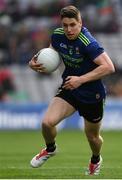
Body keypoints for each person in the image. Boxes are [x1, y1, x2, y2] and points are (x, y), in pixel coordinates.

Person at [29, 5, 115, 175]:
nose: (68, 29)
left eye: (72, 25)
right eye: (65, 25)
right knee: (47, 123)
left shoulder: (88, 42)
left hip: (92, 94)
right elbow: (51, 54)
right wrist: (36, 62)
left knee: (92, 137)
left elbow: (109, 67)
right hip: (70, 88)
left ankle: (96, 159)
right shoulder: (57, 35)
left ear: (80, 23)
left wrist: (80, 80)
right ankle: (50, 148)